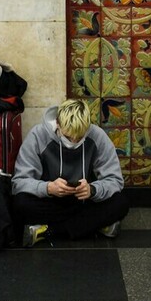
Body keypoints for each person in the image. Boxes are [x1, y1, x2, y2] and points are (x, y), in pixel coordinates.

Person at [11, 99, 130, 246]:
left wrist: (93, 190)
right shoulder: (38, 135)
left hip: (83, 200)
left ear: (87, 128)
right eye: (68, 137)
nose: (73, 142)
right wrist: (48, 188)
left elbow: (115, 180)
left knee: (120, 203)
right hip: (51, 200)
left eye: (79, 137)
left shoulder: (97, 136)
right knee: (20, 204)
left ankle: (49, 230)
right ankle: (92, 225)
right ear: (58, 124)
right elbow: (19, 182)